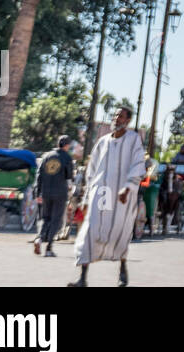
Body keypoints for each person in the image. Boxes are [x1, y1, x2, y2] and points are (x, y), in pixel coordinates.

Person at [69, 105, 145, 288]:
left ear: (127, 120)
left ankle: (122, 272)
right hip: (100, 195)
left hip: (122, 198)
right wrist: (87, 197)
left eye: (121, 116)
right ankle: (82, 279)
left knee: (120, 233)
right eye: (115, 115)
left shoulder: (133, 140)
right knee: (89, 232)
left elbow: (138, 165)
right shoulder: (102, 142)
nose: (116, 118)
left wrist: (128, 188)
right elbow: (92, 170)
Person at [33, 135, 74, 256]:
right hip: (60, 193)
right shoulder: (66, 157)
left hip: (45, 192)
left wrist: (38, 192)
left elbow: (39, 175)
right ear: (67, 145)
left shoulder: (46, 156)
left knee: (45, 218)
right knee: (56, 219)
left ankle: (39, 239)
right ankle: (49, 248)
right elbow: (69, 175)